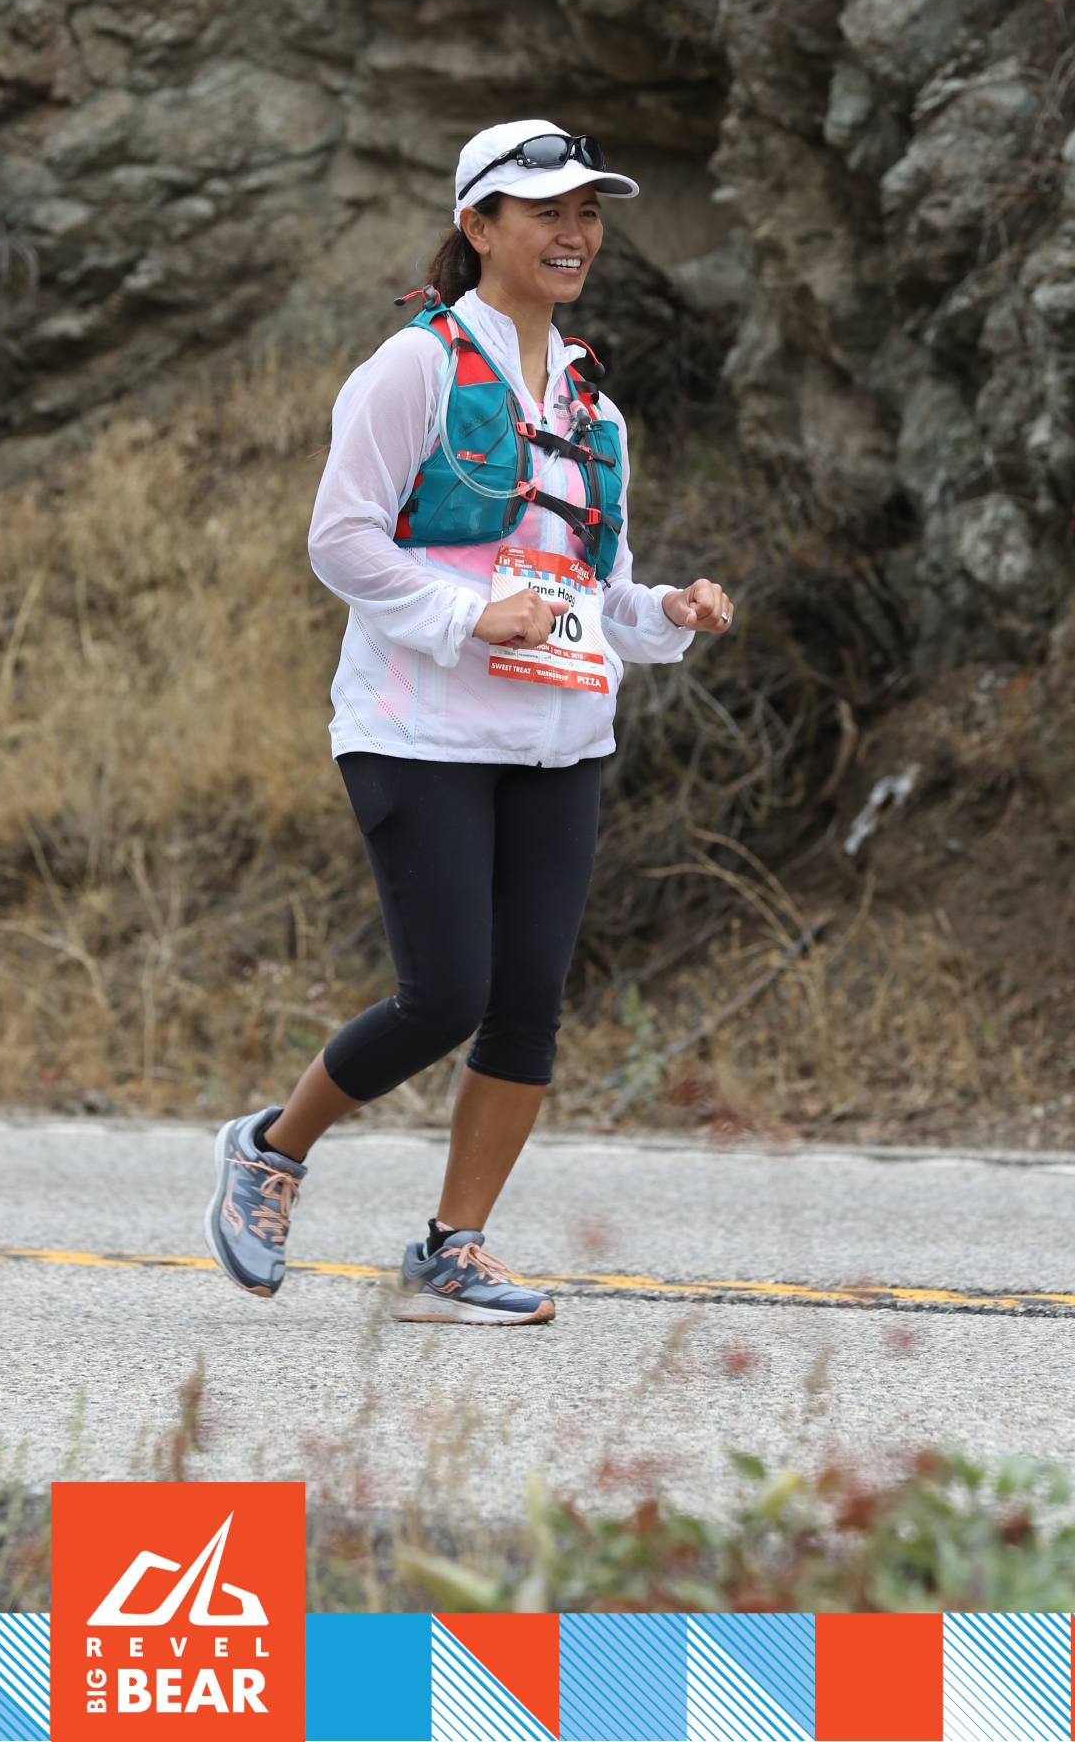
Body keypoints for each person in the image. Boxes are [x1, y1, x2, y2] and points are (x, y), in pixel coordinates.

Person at [204, 119, 733, 1325]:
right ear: (477, 226)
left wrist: (668, 611)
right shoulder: (415, 370)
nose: (574, 233)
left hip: (556, 739)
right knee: (444, 996)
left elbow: (598, 590)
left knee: (526, 1002)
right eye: (546, 212)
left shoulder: (594, 407)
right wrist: (465, 615)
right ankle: (271, 1149)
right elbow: (340, 540)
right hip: (418, 732)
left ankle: (455, 1247)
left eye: (588, 212)